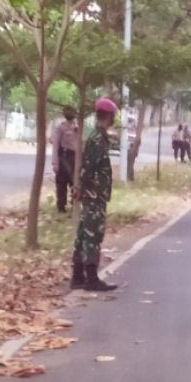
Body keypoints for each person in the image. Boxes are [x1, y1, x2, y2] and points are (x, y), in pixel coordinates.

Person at [71, 98, 119, 292]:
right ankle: (90, 278)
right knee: (92, 235)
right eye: (113, 115)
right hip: (94, 195)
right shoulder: (98, 139)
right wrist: (84, 188)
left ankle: (78, 276)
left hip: (92, 193)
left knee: (84, 234)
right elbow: (89, 168)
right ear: (108, 116)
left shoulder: (97, 137)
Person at [51, 105, 79, 213]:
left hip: (74, 158)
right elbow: (55, 145)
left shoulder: (78, 127)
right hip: (64, 157)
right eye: (68, 111)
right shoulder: (60, 127)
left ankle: (75, 204)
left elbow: (81, 144)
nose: (70, 113)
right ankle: (61, 206)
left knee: (75, 181)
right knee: (61, 184)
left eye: (71, 111)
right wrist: (55, 163)